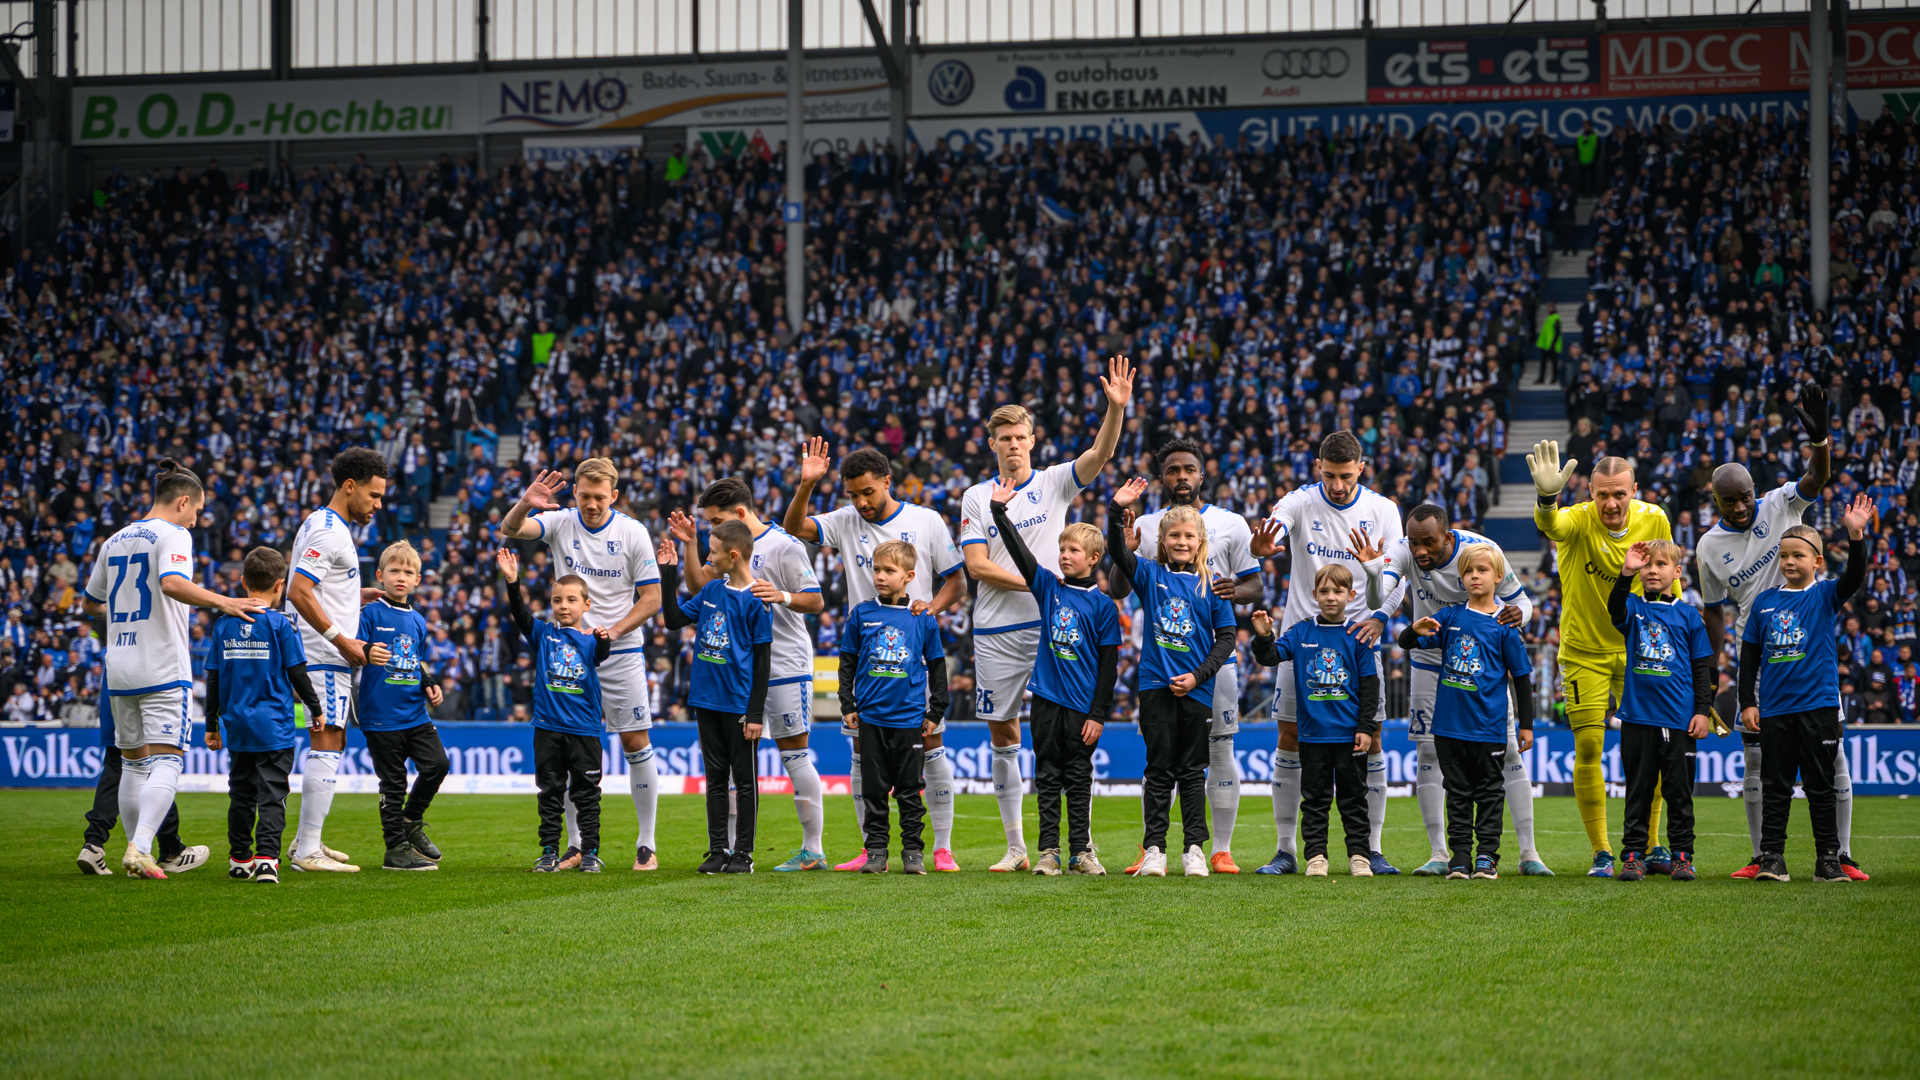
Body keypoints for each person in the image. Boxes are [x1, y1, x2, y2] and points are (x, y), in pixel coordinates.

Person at [957, 354, 1131, 873]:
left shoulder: (1055, 481)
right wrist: (1044, 582)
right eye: (1004, 438)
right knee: (1004, 734)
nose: (1013, 444)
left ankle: (1082, 845)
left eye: (1020, 436)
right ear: (992, 444)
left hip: (1054, 629)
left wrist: (1115, 408)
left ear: (1032, 440)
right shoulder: (975, 496)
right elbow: (976, 566)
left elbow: (1100, 453)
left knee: (1073, 741)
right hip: (995, 629)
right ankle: (1017, 848)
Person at [1696, 387, 1865, 879]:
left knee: (1831, 766)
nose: (1742, 506)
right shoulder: (1709, 547)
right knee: (1761, 768)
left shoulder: (1779, 504)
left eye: (1745, 496)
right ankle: (1761, 856)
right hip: (1761, 658)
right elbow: (1714, 614)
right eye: (1730, 501)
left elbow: (1817, 477)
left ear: (1755, 491)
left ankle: (1841, 854)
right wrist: (1717, 678)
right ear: (1717, 501)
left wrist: (1821, 440)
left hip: (1807, 651)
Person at [783, 442, 966, 871]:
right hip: (867, 657)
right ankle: (872, 847)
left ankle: (941, 847)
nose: (861, 502)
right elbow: (796, 527)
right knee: (863, 752)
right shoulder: (847, 521)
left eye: (868, 492)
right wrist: (807, 484)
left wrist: (928, 610)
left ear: (887, 481)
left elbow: (956, 582)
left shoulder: (926, 520)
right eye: (852, 494)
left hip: (913, 654)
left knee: (930, 745)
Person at [82, 458, 264, 879]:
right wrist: (225, 601)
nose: (197, 522)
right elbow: (171, 583)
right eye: (197, 512)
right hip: (162, 665)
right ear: (183, 501)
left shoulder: (113, 540)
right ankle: (142, 848)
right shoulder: (174, 533)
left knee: (132, 764)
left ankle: (136, 854)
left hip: (120, 665)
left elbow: (90, 603)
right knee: (168, 760)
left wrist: (125, 612)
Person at [1355, 503, 1548, 876]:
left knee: (1508, 754)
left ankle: (1529, 853)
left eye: (1429, 543)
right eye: (1415, 544)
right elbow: (1379, 600)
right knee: (1429, 751)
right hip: (1431, 660)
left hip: (1484, 667)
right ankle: (1440, 854)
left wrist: (1518, 615)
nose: (1420, 551)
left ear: (1447, 536)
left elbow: (1522, 601)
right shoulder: (1403, 548)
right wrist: (1370, 573)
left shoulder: (1483, 550)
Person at [1249, 430, 1405, 876]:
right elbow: (1275, 527)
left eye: (1345, 475)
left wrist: (1380, 618)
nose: (1337, 485)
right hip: (1304, 641)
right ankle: (1286, 850)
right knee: (1289, 738)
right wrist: (1263, 548)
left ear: (1362, 467)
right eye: (1330, 474)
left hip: (1358, 644)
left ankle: (1370, 849)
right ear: (1318, 465)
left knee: (1370, 741)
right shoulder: (1299, 500)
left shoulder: (1383, 510)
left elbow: (1398, 576)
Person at [500, 457, 664, 871]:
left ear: (614, 495)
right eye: (585, 496)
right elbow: (511, 529)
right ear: (575, 493)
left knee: (634, 742)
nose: (592, 504)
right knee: (568, 747)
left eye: (600, 497)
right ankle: (574, 846)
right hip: (569, 657)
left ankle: (646, 842)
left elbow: (651, 599)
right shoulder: (561, 523)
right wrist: (525, 502)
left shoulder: (633, 532)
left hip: (619, 653)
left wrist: (610, 632)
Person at [1108, 436, 1263, 874]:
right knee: (1160, 764)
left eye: (1188, 469)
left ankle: (1214, 847)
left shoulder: (1230, 527)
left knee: (1213, 756)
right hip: (1160, 676)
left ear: (1200, 473)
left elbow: (1253, 590)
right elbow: (1120, 579)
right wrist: (1121, 528)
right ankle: (1151, 847)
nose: (1181, 476)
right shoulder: (1148, 531)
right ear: (1162, 476)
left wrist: (1228, 591)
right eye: (1172, 469)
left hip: (1211, 671)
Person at [1528, 440, 1676, 878]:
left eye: (1619, 494)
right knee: (1589, 745)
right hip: (1585, 651)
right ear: (1589, 492)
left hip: (1639, 650)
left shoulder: (1656, 519)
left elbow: (1666, 578)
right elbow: (1550, 524)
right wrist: (1545, 497)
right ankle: (1602, 851)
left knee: (1652, 749)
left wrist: (1677, 640)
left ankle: (1650, 845)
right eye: (1602, 494)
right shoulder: (1575, 519)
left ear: (1635, 491)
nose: (1611, 503)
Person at [685, 479, 827, 871]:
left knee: (793, 753)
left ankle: (812, 849)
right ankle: (727, 850)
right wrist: (686, 545)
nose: (713, 528)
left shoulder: (785, 545)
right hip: (735, 674)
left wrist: (780, 595)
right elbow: (704, 591)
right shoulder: (728, 551)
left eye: (718, 520)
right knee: (734, 765)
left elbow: (815, 600)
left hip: (783, 666)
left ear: (741, 514)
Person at [988, 478, 1121, 877]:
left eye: (1073, 550)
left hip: (1082, 710)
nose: (1064, 555)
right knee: (1047, 777)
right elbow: (1022, 554)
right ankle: (1048, 852)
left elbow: (1109, 668)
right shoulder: (1049, 588)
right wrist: (999, 512)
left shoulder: (1104, 608)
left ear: (1094, 557)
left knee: (1078, 779)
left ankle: (1082, 851)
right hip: (1046, 700)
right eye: (1062, 549)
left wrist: (1098, 714)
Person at [1738, 497, 1875, 883]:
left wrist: (1855, 536)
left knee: (1820, 786)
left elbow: (1855, 577)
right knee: (1775, 788)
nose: (1789, 562)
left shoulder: (1825, 595)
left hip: (1818, 707)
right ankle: (1772, 859)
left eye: (1798, 555)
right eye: (1784, 556)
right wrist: (1748, 702)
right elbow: (1749, 659)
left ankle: (1828, 860)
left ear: (1817, 561)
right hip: (1776, 711)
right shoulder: (1764, 603)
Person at [1397, 545, 1538, 880]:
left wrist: (1527, 725)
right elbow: (1406, 643)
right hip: (1448, 726)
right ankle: (1459, 857)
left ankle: (1487, 857)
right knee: (1457, 793)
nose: (1475, 576)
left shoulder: (1505, 624)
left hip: (1489, 727)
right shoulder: (1449, 617)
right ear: (1461, 578)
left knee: (1490, 792)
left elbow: (1520, 677)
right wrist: (1412, 631)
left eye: (1483, 570)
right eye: (1469, 571)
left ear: (1498, 577)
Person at [283, 446, 389, 873]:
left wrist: (351, 596)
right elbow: (298, 590)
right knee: (327, 741)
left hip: (315, 651)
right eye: (374, 495)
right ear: (350, 487)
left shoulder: (319, 521)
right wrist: (342, 639)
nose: (378, 505)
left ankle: (306, 842)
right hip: (322, 654)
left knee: (334, 739)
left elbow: (314, 586)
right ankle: (307, 849)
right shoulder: (332, 532)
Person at [1249, 565, 1382, 878]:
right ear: (1314, 595)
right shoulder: (1300, 631)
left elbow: (1369, 685)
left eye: (1337, 592)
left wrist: (1365, 727)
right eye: (1324, 592)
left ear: (1351, 595)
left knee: (1354, 801)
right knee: (1315, 801)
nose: (1330, 598)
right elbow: (1270, 657)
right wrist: (1264, 636)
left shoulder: (1357, 635)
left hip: (1350, 737)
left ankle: (1360, 856)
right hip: (1312, 736)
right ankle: (1316, 857)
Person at [658, 519, 773, 875]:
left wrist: (755, 714)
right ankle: (717, 850)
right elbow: (674, 619)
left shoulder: (758, 601)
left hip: (739, 705)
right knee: (715, 778)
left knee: (745, 779)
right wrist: (668, 573)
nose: (709, 557)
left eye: (713, 552)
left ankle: (744, 853)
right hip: (706, 700)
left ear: (733, 555)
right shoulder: (711, 591)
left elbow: (762, 662)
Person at [205, 546, 324, 884]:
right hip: (274, 725)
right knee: (272, 793)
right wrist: (315, 709)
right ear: (280, 586)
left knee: (241, 792)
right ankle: (267, 859)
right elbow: (298, 672)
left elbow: (214, 677)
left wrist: (211, 724)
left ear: (243, 582)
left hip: (238, 724)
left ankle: (240, 859)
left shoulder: (224, 624)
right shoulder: (280, 624)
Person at [498, 550, 615, 873]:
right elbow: (521, 616)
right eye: (558, 600)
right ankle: (549, 850)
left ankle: (590, 851)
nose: (563, 606)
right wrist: (512, 581)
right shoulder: (544, 634)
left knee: (587, 794)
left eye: (571, 600)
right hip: (547, 728)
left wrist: (604, 639)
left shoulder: (592, 641)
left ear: (586, 605)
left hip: (584, 731)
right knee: (549, 792)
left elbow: (602, 653)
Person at [838, 541, 950, 874]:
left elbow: (938, 666)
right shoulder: (861, 613)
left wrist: (935, 712)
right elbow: (847, 662)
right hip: (871, 718)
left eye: (889, 570)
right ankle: (876, 852)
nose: (881, 576)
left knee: (910, 790)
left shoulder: (922, 616)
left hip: (909, 720)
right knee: (873, 789)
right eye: (876, 569)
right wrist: (848, 703)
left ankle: (913, 852)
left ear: (909, 575)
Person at [1608, 540, 1713, 883]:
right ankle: (1633, 857)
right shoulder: (1634, 608)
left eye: (1661, 564)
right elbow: (1614, 609)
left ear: (1677, 572)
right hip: (1638, 719)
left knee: (1679, 793)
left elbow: (1702, 668)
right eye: (1647, 565)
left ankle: (1682, 856)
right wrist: (1626, 573)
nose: (1653, 570)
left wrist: (1702, 711)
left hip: (1679, 721)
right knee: (1637, 792)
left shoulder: (1689, 615)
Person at [356, 540, 451, 872]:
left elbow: (415, 661)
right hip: (380, 715)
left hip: (414, 711)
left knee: (438, 764)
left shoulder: (419, 621)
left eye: (408, 572)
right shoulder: (369, 614)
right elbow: (353, 649)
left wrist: (428, 683)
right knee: (393, 783)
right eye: (394, 570)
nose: (401, 576)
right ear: (380, 575)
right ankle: (395, 848)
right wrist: (366, 649)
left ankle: (411, 819)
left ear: (417, 580)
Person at [77, 676, 203, 876]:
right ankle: (156, 850)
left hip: (116, 682)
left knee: (120, 767)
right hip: (152, 682)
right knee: (157, 768)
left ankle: (93, 844)